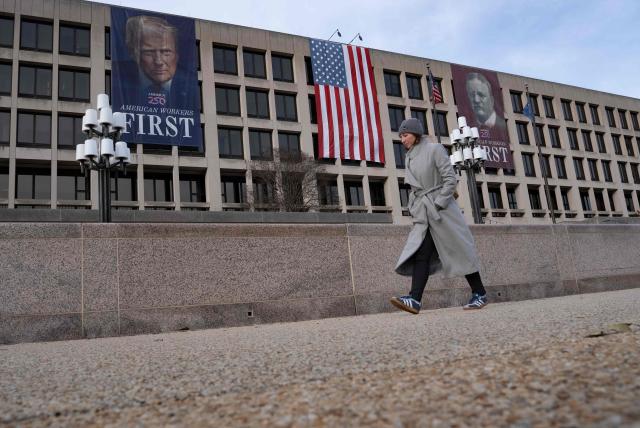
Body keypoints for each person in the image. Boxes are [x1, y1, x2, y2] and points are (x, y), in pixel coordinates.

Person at [390, 118, 488, 314]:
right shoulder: (410, 156)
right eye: (400, 136)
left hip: (442, 212)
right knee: (421, 253)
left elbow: (450, 179)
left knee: (460, 250)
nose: (402, 139)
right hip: (425, 213)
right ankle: (415, 299)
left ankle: (480, 293)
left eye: (405, 135)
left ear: (416, 135)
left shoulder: (434, 150)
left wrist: (439, 203)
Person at [123, 15, 189, 106]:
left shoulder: (191, 84)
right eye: (149, 52)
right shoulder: (119, 80)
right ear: (134, 54)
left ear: (177, 55)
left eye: (166, 52)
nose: (158, 62)